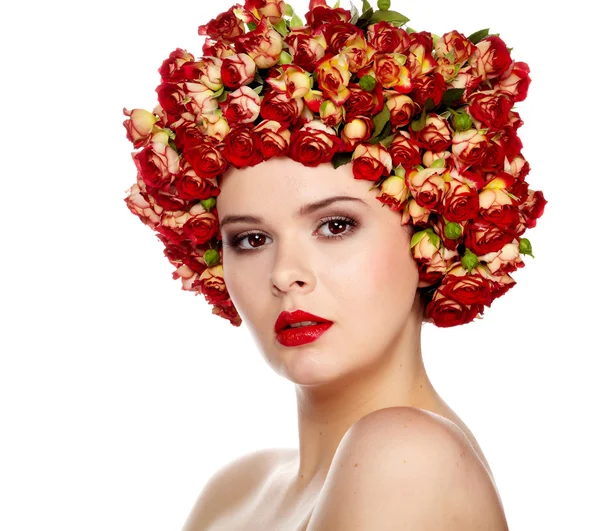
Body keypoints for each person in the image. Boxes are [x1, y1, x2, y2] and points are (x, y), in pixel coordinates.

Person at [122, 0, 546, 528]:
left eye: (336, 226)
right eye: (251, 239)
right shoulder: (236, 492)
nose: (284, 273)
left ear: (431, 234)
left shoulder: (405, 456)